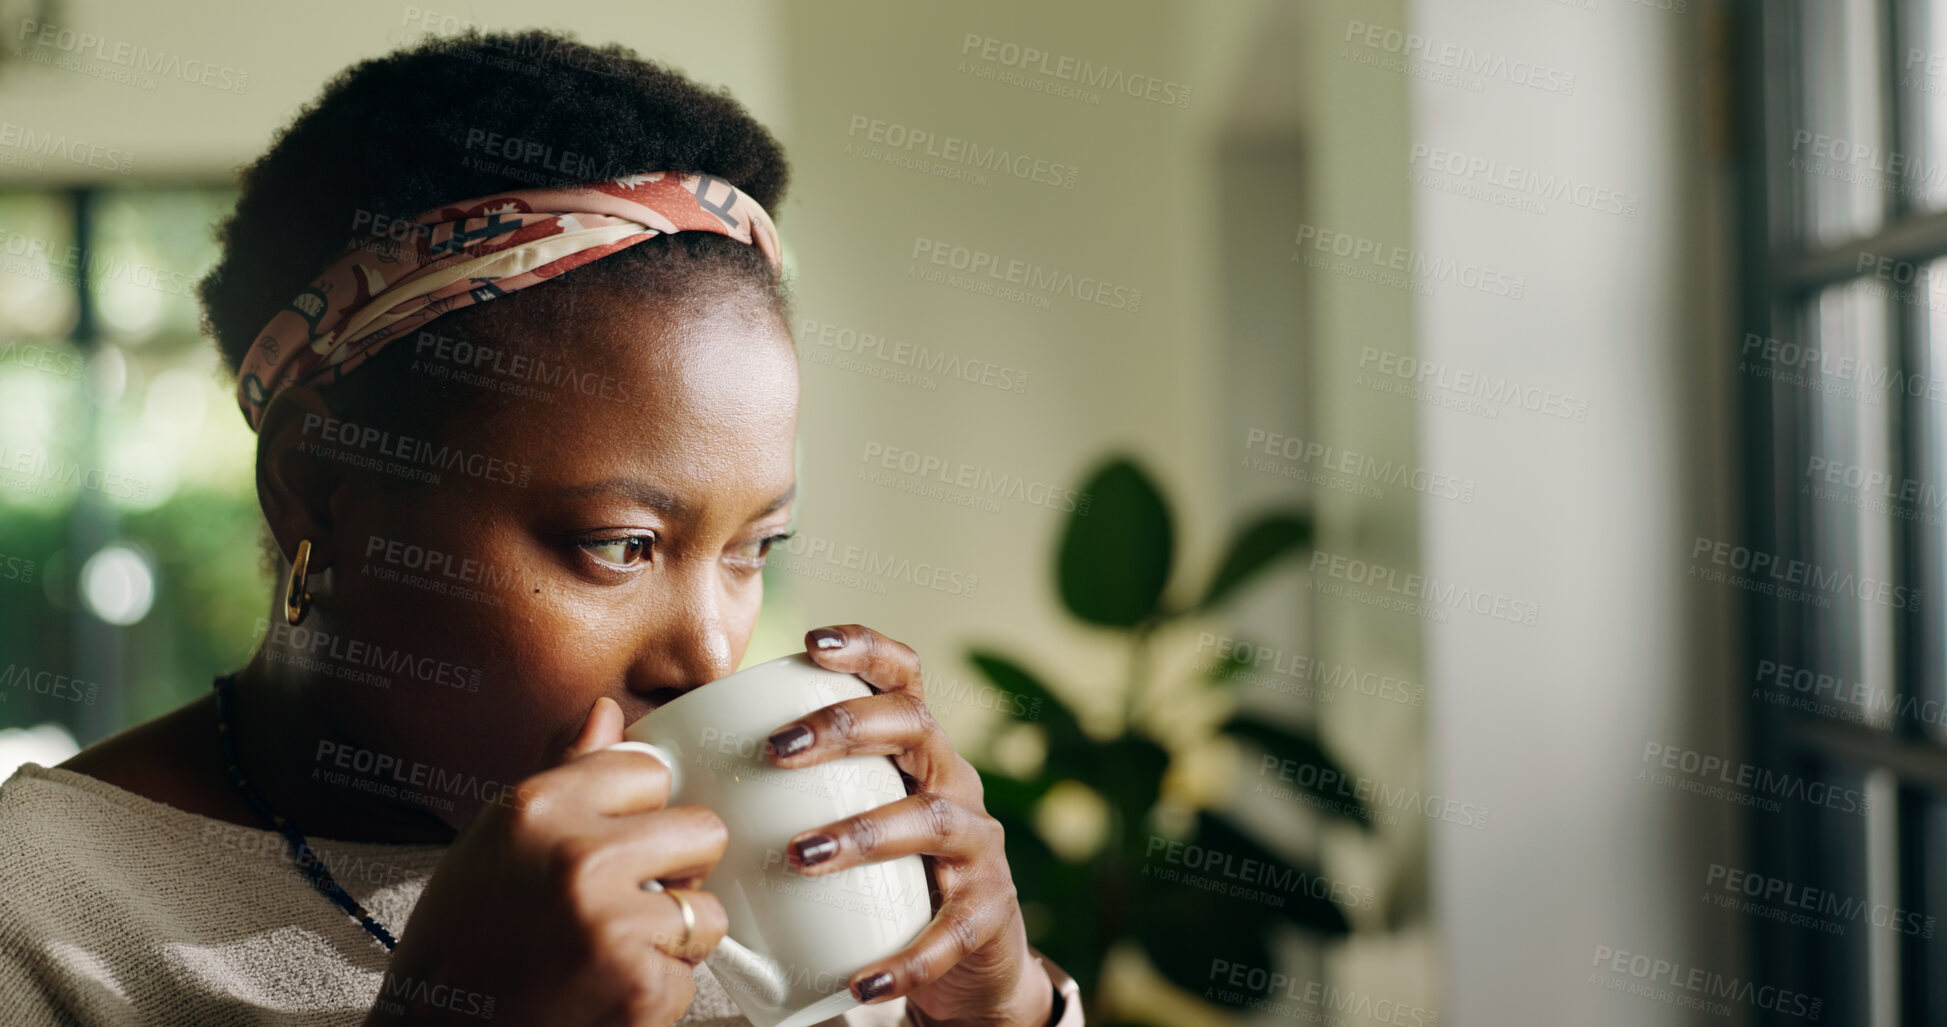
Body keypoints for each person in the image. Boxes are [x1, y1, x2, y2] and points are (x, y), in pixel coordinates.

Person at [0, 29, 1082, 1027]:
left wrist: (1001, 1009)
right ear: (319, 482)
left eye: (755, 547)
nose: (708, 658)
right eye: (620, 544)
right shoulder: (36, 914)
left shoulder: (763, 887)